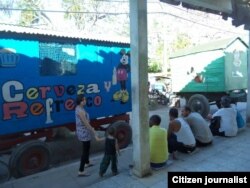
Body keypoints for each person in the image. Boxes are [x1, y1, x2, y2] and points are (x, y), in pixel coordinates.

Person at [75, 94, 99, 176]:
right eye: (83, 100)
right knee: (85, 150)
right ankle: (81, 171)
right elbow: (86, 123)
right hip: (84, 132)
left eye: (85, 99)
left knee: (87, 147)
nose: (85, 101)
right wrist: (93, 131)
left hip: (84, 131)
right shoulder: (80, 111)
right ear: (80, 101)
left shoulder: (79, 108)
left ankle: (87, 162)